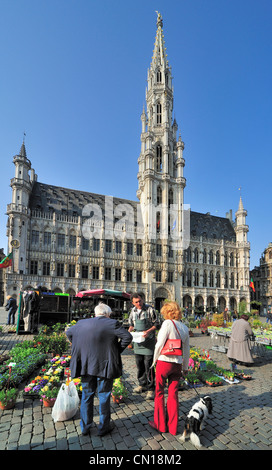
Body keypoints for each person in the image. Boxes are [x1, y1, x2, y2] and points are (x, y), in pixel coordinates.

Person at [66, 303, 132, 436]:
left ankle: (85, 427)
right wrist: (116, 350)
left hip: (85, 364)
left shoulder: (81, 323)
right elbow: (128, 337)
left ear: (95, 313)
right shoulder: (112, 323)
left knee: (87, 395)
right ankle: (103, 427)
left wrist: (78, 345)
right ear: (107, 313)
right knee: (104, 395)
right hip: (104, 364)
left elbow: (69, 333)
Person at [148, 301, 190, 435]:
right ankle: (173, 428)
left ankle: (160, 425)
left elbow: (159, 344)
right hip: (177, 364)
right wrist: (184, 367)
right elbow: (187, 350)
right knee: (173, 395)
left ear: (167, 312)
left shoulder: (167, 323)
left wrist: (154, 361)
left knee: (159, 393)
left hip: (164, 362)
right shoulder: (184, 327)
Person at [128, 292, 157, 400]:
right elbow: (131, 324)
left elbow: (156, 324)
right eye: (136, 302)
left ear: (143, 300)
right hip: (138, 341)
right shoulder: (133, 311)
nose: (139, 303)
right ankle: (142, 384)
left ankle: (151, 389)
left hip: (148, 342)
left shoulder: (150, 309)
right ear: (133, 302)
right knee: (139, 365)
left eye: (140, 301)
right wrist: (129, 331)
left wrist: (148, 331)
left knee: (148, 366)